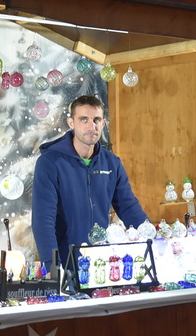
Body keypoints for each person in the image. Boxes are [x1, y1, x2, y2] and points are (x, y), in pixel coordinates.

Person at [32, 95, 150, 267]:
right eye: (84, 119)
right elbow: (43, 219)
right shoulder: (50, 163)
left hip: (100, 263)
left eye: (96, 120)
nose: (91, 126)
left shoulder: (112, 163)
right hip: (66, 264)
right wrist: (52, 266)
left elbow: (129, 208)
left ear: (103, 123)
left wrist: (152, 240)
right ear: (71, 123)